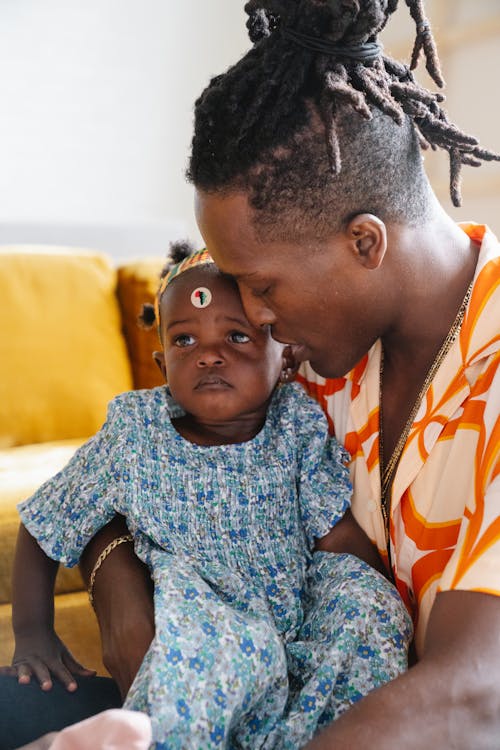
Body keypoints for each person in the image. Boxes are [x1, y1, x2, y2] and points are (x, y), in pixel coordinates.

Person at [184, 1, 500, 748]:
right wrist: (123, 598)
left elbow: (478, 696)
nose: (250, 318)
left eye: (261, 287)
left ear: (365, 244)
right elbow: (146, 460)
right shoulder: (316, 347)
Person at [3, 244, 411, 749]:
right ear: (161, 364)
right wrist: (33, 632)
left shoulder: (296, 423)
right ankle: (140, 741)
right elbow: (47, 519)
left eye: (236, 336)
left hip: (300, 598)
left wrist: (378, 599)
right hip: (206, 613)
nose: (209, 354)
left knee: (368, 608)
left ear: (286, 359)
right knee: (212, 659)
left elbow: (336, 531)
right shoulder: (135, 432)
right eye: (185, 340)